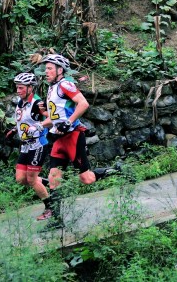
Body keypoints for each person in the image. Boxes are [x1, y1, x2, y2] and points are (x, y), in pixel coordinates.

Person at [38, 53, 120, 223]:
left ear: (60, 70)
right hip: (58, 140)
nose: (46, 71)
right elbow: (57, 115)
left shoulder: (65, 84)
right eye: (45, 68)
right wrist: (42, 118)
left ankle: (117, 170)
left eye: (49, 68)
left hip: (72, 137)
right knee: (54, 179)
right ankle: (57, 222)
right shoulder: (52, 87)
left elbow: (83, 103)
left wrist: (69, 122)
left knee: (87, 179)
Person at [8, 72, 55, 221]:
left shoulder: (37, 103)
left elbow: (52, 119)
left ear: (30, 88)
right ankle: (49, 184)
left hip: (38, 145)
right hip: (25, 146)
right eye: (17, 87)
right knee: (21, 179)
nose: (18, 90)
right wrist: (16, 129)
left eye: (21, 88)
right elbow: (24, 120)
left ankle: (50, 208)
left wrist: (38, 127)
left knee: (32, 179)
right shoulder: (21, 102)